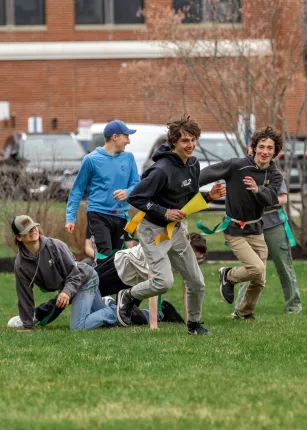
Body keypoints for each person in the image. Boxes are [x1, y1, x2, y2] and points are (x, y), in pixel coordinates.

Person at [116, 115, 225, 335]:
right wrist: (164, 212)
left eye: (193, 139)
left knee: (196, 282)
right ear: (174, 142)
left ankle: (193, 325)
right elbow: (136, 198)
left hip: (176, 231)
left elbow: (188, 199)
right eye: (185, 140)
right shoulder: (161, 170)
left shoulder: (193, 163)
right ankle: (129, 296)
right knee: (163, 282)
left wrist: (209, 197)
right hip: (152, 231)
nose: (190, 145)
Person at [199, 126, 284, 320]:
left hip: (256, 229)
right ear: (253, 147)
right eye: (261, 146)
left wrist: (257, 190)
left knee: (259, 280)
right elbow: (208, 173)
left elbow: (271, 198)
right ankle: (228, 275)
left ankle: (243, 313)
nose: (265, 151)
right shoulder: (237, 166)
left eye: (269, 148)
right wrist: (187, 184)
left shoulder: (274, 175)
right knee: (257, 269)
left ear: (275, 152)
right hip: (234, 229)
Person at [12, 215, 118, 331]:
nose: (33, 231)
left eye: (33, 227)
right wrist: (28, 326)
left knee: (78, 327)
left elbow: (75, 274)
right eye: (28, 230)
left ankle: (116, 311)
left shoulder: (55, 246)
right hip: (73, 284)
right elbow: (24, 295)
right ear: (19, 238)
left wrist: (66, 292)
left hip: (85, 279)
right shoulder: (21, 264)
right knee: (107, 323)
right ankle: (113, 307)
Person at [65, 120, 139, 257]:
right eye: (126, 136)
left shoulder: (129, 158)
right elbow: (77, 189)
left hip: (121, 215)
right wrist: (70, 217)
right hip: (98, 214)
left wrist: (126, 192)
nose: (128, 141)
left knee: (117, 258)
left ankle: (103, 278)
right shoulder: (91, 160)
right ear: (115, 137)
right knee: (105, 256)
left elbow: (137, 184)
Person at [235, 180, 302, 314]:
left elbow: (283, 198)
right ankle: (241, 309)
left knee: (284, 266)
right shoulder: (242, 174)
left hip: (274, 225)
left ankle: (293, 307)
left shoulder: (273, 173)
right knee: (250, 267)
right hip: (251, 226)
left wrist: (262, 200)